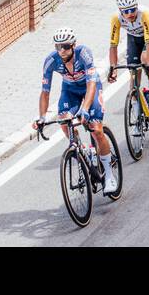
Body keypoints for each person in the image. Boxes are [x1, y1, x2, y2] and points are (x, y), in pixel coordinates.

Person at [37, 26, 117, 195]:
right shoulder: (51, 60)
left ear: (73, 45)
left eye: (65, 46)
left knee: (96, 129)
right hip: (70, 90)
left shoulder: (84, 53)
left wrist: (85, 109)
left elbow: (91, 84)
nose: (62, 50)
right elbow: (45, 91)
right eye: (58, 47)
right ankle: (82, 149)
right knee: (64, 121)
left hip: (90, 88)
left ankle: (109, 175)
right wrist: (42, 117)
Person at [106, 0, 149, 109]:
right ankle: (136, 112)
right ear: (120, 11)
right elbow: (113, 46)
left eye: (133, 9)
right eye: (126, 11)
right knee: (133, 73)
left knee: (145, 59)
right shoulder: (116, 19)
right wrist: (113, 68)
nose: (130, 14)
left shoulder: (145, 13)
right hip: (134, 36)